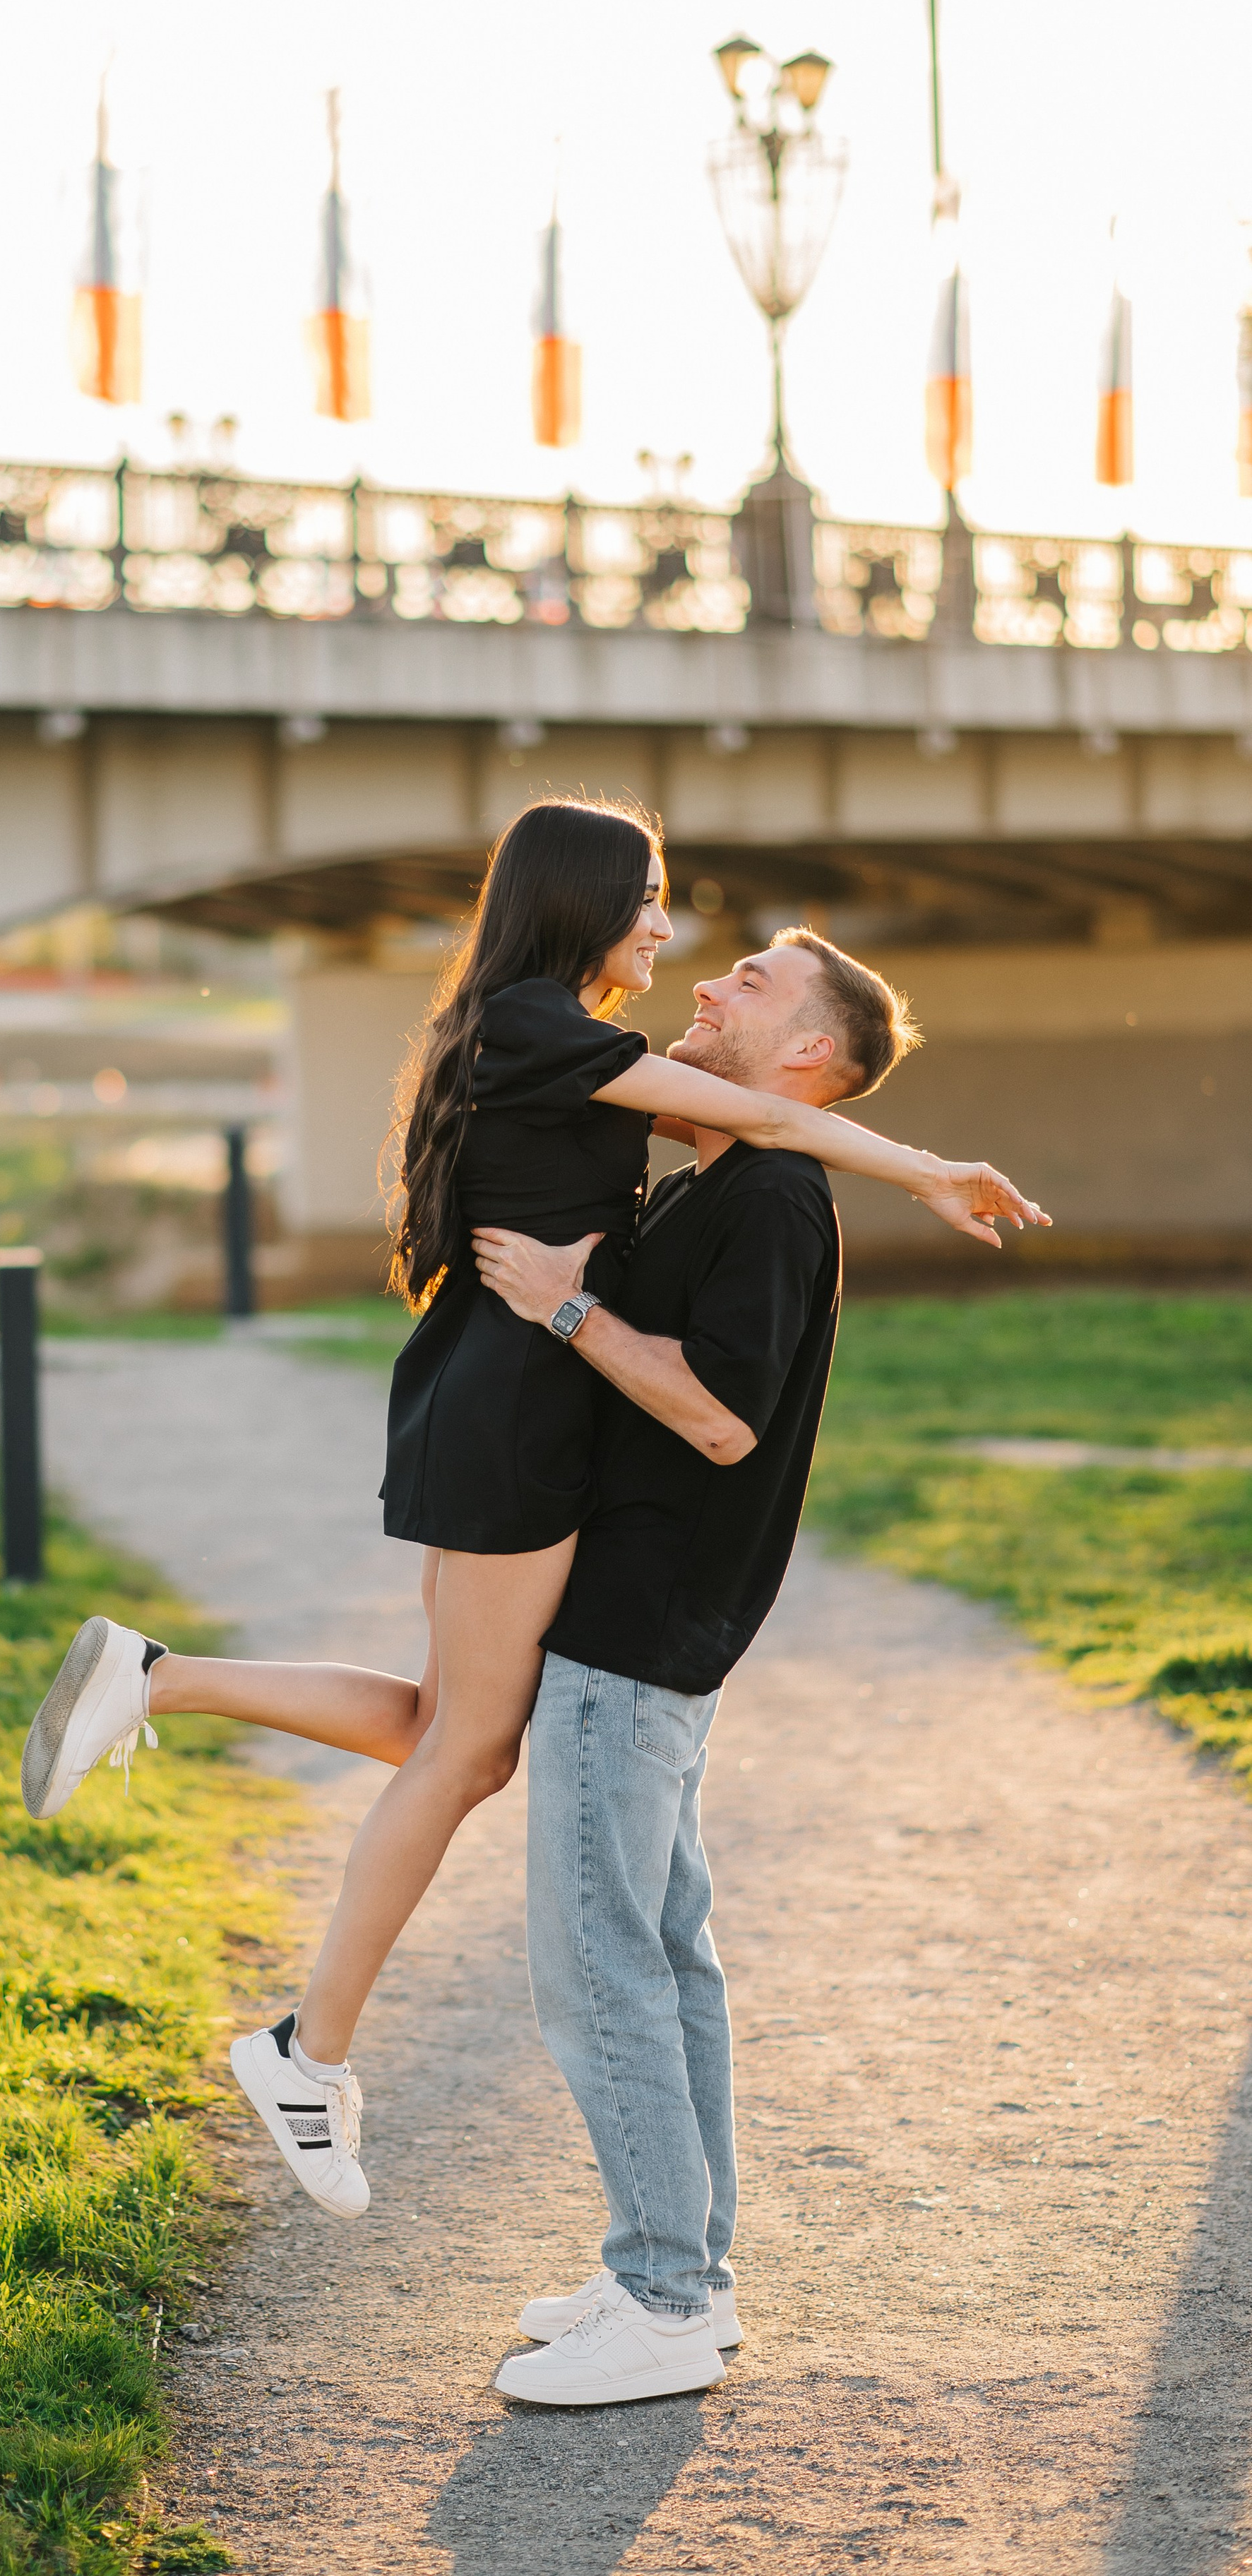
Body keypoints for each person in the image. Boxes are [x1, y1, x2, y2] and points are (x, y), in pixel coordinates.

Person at [18, 800, 1047, 2224]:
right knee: (464, 1754)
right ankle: (305, 2048)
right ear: (580, 900)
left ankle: (157, 1681)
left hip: (490, 1404)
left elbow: (756, 1127)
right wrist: (928, 1169)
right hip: (513, 1415)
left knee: (446, 1726)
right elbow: (756, 1112)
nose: (668, 933)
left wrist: (859, 1143)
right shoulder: (539, 1024)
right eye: (649, 900)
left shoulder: (536, 1031)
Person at [475, 926, 930, 2403]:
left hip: (637, 1627)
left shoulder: (777, 1201)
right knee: (660, 1955)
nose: (711, 983)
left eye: (749, 978)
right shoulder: (729, 1177)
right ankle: (682, 2273)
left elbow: (722, 1418)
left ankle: (662, 2297)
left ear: (809, 1055)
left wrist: (562, 1300)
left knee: (593, 1963)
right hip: (644, 1622)